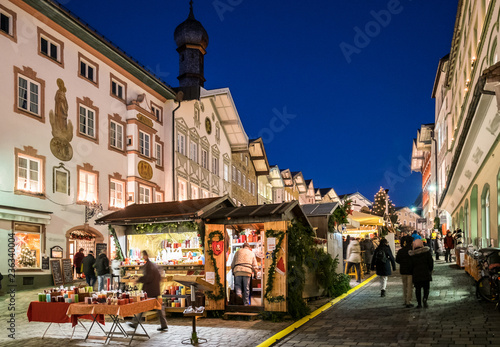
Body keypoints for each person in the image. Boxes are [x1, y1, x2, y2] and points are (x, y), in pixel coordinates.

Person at [129, 250, 168, 331]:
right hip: (155, 289)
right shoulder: (154, 265)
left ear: (146, 256)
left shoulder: (148, 266)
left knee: (142, 306)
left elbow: (148, 278)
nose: (143, 257)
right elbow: (158, 276)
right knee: (158, 307)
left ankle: (135, 323)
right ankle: (164, 324)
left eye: (143, 255)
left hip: (150, 290)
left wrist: (138, 280)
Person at [409, 239, 434, 308]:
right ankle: (425, 298)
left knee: (418, 289)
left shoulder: (413, 255)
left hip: (416, 274)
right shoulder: (426, 253)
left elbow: (410, 266)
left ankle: (419, 304)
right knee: (426, 288)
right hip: (426, 273)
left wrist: (412, 273)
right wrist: (430, 270)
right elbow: (431, 263)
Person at [396, 236, 414, 308]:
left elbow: (397, 260)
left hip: (403, 270)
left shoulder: (401, 251)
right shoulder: (412, 251)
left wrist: (403, 263)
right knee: (410, 287)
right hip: (410, 270)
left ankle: (405, 300)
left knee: (404, 286)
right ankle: (408, 302)